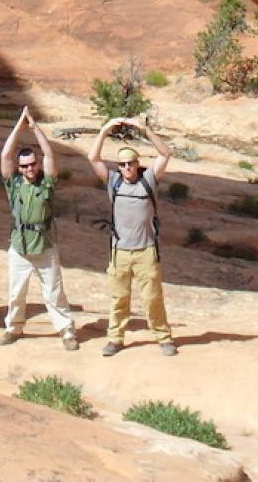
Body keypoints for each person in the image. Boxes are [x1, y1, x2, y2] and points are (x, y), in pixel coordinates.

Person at [89, 115, 176, 356]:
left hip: (146, 250)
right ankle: (115, 339)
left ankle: (163, 337)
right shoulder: (114, 182)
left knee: (152, 298)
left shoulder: (148, 180)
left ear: (137, 163)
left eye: (130, 163)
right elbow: (93, 158)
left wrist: (146, 130)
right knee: (119, 298)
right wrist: (105, 129)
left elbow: (165, 154)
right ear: (118, 167)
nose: (127, 168)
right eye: (122, 164)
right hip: (120, 252)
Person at [0, 107, 78, 351]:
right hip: (19, 246)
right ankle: (14, 328)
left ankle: (66, 331)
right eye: (24, 166)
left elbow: (50, 155)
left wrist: (34, 128)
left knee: (54, 292)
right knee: (15, 292)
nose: (29, 169)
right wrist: (18, 127)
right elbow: (5, 156)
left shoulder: (46, 183)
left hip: (44, 245)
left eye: (32, 165)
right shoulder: (13, 184)